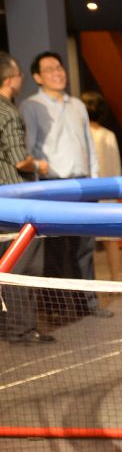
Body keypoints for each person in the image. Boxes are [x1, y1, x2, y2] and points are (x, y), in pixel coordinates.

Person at [20, 51, 111, 317]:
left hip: (83, 184)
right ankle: (56, 307)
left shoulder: (78, 105)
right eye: (50, 69)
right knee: (56, 248)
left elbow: (88, 145)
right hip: (52, 186)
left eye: (59, 68)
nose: (58, 73)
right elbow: (29, 149)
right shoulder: (31, 106)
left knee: (85, 247)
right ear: (37, 77)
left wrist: (94, 180)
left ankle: (88, 304)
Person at [0, 51, 54, 344]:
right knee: (23, 266)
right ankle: (22, 330)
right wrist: (40, 165)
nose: (21, 79)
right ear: (10, 79)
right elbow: (20, 161)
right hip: (12, 200)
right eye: (19, 74)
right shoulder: (8, 112)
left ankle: (12, 327)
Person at [82, 91, 122, 282]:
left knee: (85, 242)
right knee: (111, 240)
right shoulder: (109, 135)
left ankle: (91, 283)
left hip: (86, 193)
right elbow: (116, 167)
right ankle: (115, 281)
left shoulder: (82, 136)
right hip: (108, 190)